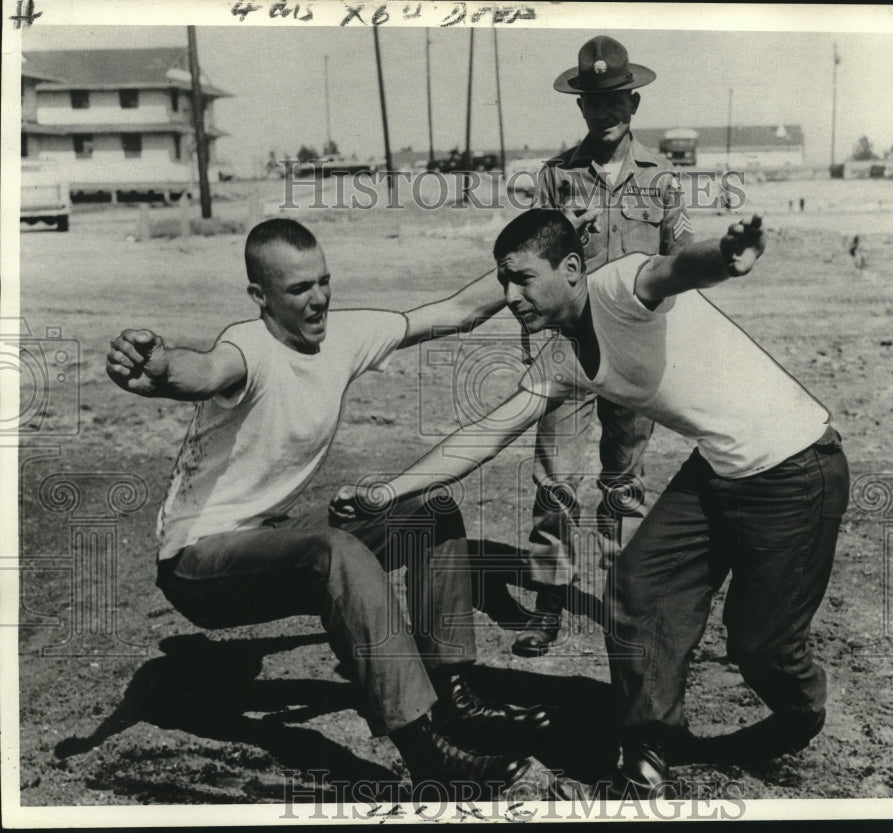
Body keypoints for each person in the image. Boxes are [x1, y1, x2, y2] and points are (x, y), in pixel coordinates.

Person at [332, 209, 849, 796]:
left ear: (572, 268)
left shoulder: (620, 286)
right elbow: (486, 433)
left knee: (760, 647)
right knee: (637, 587)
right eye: (503, 281)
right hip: (719, 469)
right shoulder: (560, 357)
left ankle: (800, 714)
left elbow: (676, 267)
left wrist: (724, 258)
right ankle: (647, 754)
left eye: (522, 278)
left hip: (797, 466)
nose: (510, 295)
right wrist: (388, 490)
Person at [105, 218, 549, 794]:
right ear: (259, 298)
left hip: (267, 537)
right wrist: (161, 368)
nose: (318, 299)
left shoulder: (342, 334)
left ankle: (454, 694)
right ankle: (425, 751)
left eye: (323, 281)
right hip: (197, 564)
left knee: (429, 509)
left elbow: (456, 312)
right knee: (333, 552)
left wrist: (533, 255)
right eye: (298, 290)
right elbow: (203, 370)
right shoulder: (248, 347)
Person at [514, 35, 694, 658]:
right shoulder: (554, 177)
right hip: (569, 349)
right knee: (556, 479)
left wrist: (665, 336)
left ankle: (623, 601)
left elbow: (680, 265)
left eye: (616, 99)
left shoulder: (664, 180)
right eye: (594, 101)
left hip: (635, 348)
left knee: (624, 482)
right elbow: (528, 264)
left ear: (634, 103)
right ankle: (548, 603)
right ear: (582, 107)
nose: (606, 111)